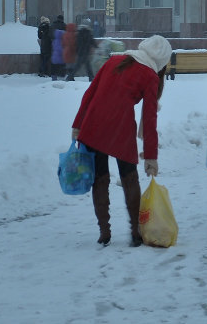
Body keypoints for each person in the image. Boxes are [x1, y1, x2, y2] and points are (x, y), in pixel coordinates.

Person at [71, 35, 172, 247]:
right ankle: (135, 232)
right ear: (162, 61)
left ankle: (104, 232)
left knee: (100, 178)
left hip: (94, 124)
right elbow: (150, 119)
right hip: (120, 127)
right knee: (129, 177)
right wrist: (151, 157)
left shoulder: (114, 61)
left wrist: (78, 124)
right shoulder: (150, 76)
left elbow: (89, 94)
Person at [50, 15, 65, 80]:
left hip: (54, 45)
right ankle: (61, 75)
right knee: (62, 62)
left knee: (54, 63)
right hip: (63, 46)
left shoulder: (53, 25)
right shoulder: (64, 25)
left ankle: (54, 76)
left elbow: (49, 34)